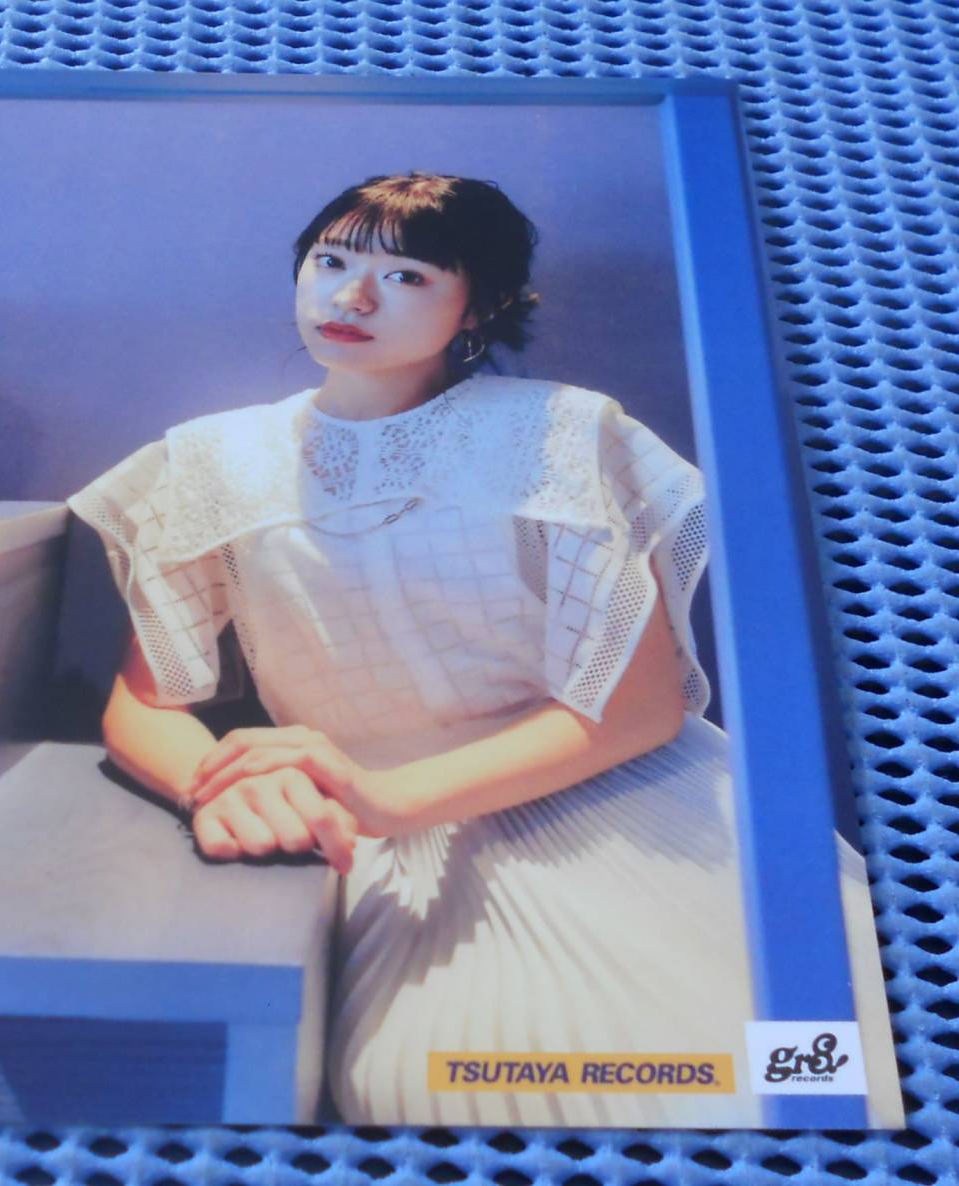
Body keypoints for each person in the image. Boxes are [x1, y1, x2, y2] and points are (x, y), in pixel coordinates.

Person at [67, 173, 897, 1127]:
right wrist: (222, 787)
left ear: (480, 306)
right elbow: (146, 701)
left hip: (619, 802)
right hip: (382, 841)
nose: (351, 296)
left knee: (792, 1076)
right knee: (442, 1084)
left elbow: (640, 705)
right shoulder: (213, 457)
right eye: (330, 262)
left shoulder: (557, 431)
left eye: (407, 276)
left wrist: (392, 799)